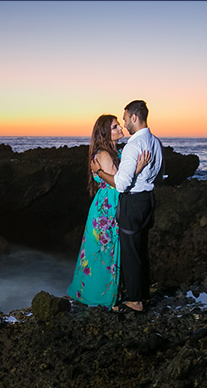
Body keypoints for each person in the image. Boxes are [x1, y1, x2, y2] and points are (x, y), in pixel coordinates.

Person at [66, 114, 151, 307]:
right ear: (105, 133)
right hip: (107, 207)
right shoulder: (104, 154)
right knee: (104, 251)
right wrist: (137, 169)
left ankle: (112, 291)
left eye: (119, 125)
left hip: (113, 203)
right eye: (115, 127)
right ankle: (101, 296)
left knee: (110, 249)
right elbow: (118, 183)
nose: (121, 128)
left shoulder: (116, 152)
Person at [101, 100, 164, 314]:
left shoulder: (133, 146)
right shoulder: (155, 141)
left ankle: (136, 300)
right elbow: (161, 174)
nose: (125, 123)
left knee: (131, 252)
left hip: (133, 202)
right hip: (148, 200)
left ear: (135, 117)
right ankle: (143, 295)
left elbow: (120, 184)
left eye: (126, 118)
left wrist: (100, 173)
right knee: (141, 249)